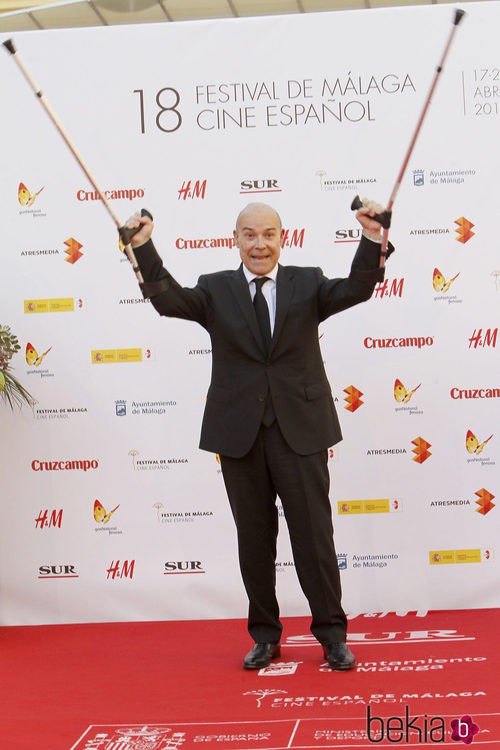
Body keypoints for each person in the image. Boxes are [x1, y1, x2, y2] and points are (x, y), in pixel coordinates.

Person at [124, 200, 393, 671]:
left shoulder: (306, 282)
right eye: (249, 234)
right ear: (236, 239)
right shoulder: (216, 289)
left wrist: (372, 237)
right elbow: (168, 300)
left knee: (314, 537)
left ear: (282, 239)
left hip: (300, 431)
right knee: (254, 539)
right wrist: (143, 248)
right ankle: (265, 636)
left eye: (268, 234)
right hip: (240, 435)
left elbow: (358, 288)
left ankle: (331, 635)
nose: (259, 243)